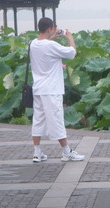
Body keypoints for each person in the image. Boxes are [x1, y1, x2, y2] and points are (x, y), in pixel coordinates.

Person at [30, 17, 84, 162]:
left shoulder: (33, 44)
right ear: (49, 29)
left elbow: (45, 44)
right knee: (56, 120)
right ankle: (67, 152)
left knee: (38, 120)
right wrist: (70, 38)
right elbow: (72, 53)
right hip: (52, 90)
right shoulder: (50, 45)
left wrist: (53, 37)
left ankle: (37, 152)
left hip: (38, 89)